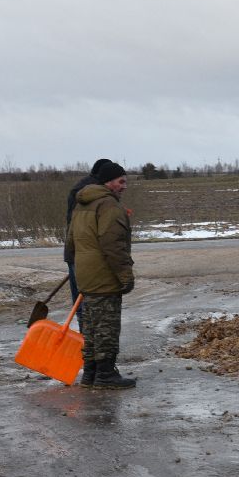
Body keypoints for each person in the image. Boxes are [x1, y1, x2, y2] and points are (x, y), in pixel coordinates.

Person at [65, 159, 137, 389]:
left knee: (92, 326)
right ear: (108, 182)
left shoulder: (81, 204)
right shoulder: (108, 206)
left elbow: (70, 243)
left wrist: (78, 268)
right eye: (121, 181)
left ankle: (90, 374)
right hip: (104, 276)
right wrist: (125, 276)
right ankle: (106, 375)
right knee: (106, 326)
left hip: (85, 275)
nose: (125, 186)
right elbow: (113, 246)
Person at [64, 159, 112, 304]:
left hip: (74, 250)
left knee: (79, 300)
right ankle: (84, 326)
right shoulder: (93, 191)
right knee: (87, 302)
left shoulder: (81, 188)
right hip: (83, 253)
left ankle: (82, 326)